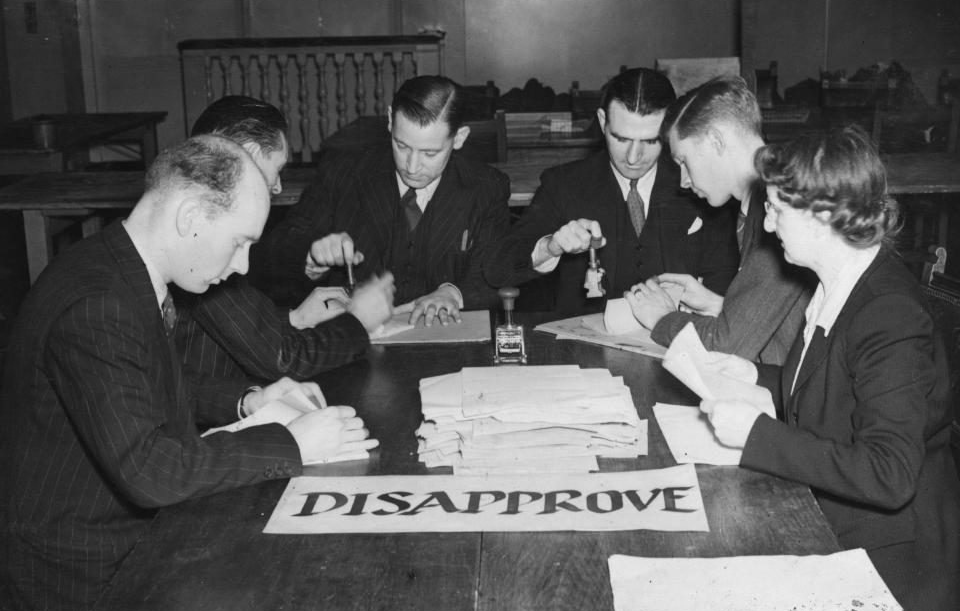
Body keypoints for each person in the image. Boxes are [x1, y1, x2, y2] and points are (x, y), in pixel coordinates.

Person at [0, 136, 378, 611]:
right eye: (241, 241)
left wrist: (250, 401)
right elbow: (149, 471)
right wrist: (295, 444)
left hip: (112, 533)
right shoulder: (98, 305)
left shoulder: (118, 266)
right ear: (189, 216)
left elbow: (139, 384)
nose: (244, 266)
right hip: (79, 572)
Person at [700, 126, 960, 611]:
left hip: (897, 566)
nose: (767, 224)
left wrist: (756, 435)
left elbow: (889, 475)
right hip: (845, 524)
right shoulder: (838, 284)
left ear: (822, 214)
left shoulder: (888, 314)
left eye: (775, 208)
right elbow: (837, 395)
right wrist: (759, 380)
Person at [253, 75, 511, 326]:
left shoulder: (486, 186)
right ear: (390, 120)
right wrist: (312, 256)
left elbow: (497, 274)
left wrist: (453, 293)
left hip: (447, 340)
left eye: (429, 153)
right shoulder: (344, 172)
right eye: (402, 146)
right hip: (349, 341)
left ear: (460, 138)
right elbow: (277, 249)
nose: (411, 166)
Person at [483, 67, 739, 315]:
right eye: (621, 138)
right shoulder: (564, 184)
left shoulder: (701, 187)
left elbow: (724, 281)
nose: (633, 157)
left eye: (650, 141)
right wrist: (551, 246)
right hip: (583, 349)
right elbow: (498, 269)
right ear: (603, 121)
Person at [176, 95, 395, 381]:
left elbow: (233, 323)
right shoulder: (205, 238)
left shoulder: (199, 217)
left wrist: (295, 318)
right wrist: (358, 320)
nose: (278, 186)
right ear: (251, 155)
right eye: (277, 169)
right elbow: (283, 360)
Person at [625, 76, 813, 364]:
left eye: (683, 161)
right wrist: (717, 305)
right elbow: (776, 317)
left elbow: (728, 345)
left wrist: (663, 318)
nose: (684, 182)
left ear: (716, 140)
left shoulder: (777, 211)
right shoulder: (763, 200)